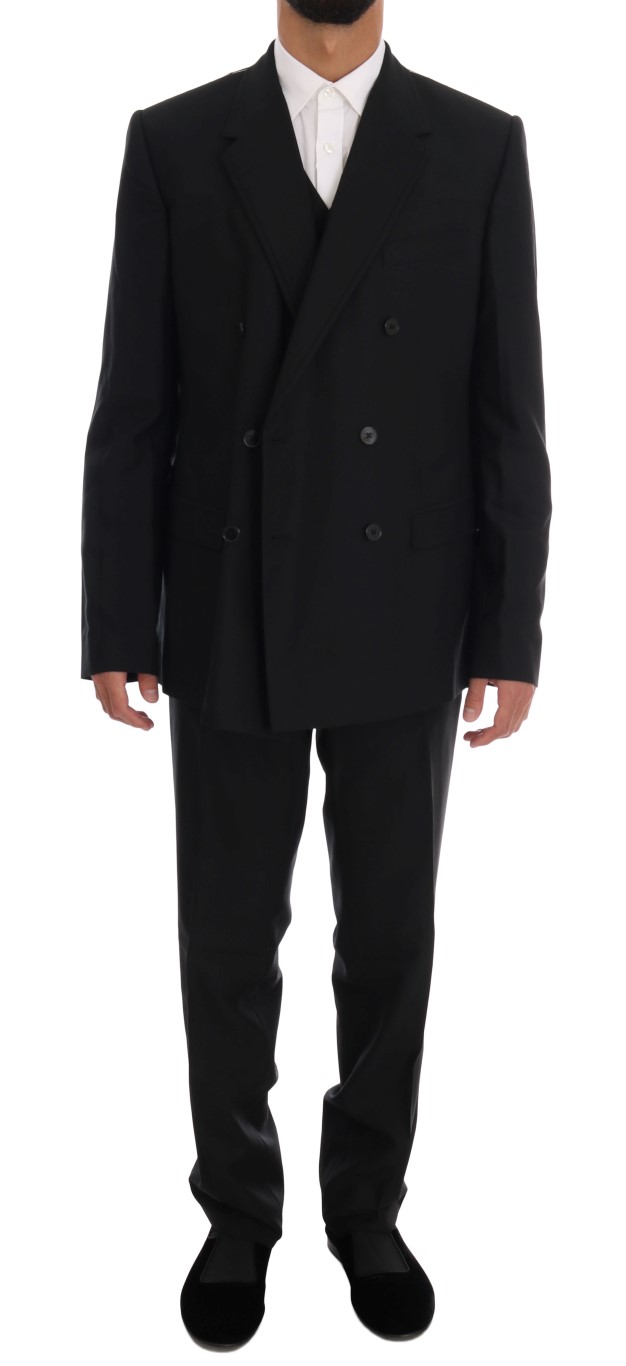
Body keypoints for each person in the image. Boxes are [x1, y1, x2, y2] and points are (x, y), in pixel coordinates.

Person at [80, 0, 552, 1348]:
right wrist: (116, 618)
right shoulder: (175, 141)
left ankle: (368, 1208)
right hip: (227, 605)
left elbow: (508, 408)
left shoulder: (477, 146)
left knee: (389, 938)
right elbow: (134, 402)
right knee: (227, 938)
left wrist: (508, 631)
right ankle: (237, 1209)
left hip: (406, 611)